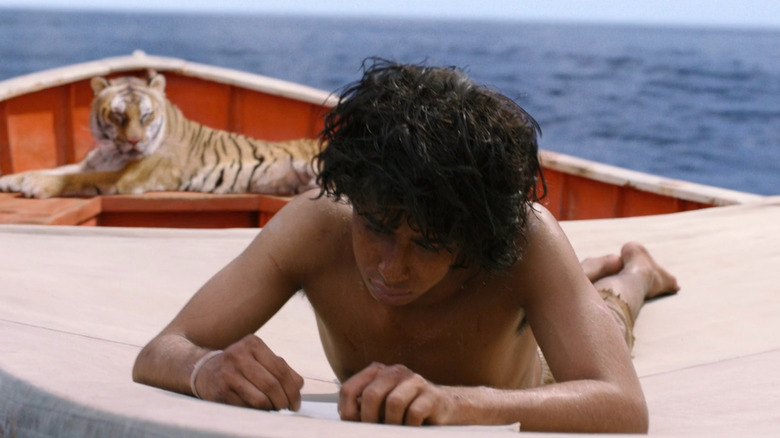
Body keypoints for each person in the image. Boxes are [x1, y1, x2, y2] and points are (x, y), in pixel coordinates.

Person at [132, 59, 679, 433]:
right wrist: (206, 368)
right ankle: (579, 280)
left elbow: (623, 406)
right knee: (576, 300)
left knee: (610, 319)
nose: (392, 269)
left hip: (531, 385)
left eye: (429, 243)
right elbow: (163, 349)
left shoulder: (525, 238)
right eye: (376, 228)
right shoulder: (316, 225)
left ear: (474, 234)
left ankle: (635, 274)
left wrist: (456, 403)